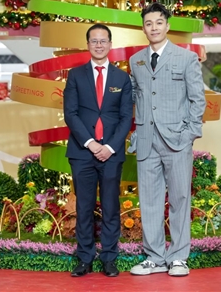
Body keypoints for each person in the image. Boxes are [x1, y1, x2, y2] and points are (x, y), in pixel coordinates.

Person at [128, 3, 206, 277]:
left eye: (159, 22)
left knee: (180, 198)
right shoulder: (135, 60)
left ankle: (179, 257)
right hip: (146, 140)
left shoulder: (186, 58)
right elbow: (135, 96)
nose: (154, 28)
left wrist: (190, 133)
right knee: (149, 200)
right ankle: (155, 257)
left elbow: (198, 100)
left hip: (177, 140)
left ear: (167, 25)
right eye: (149, 23)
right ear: (143, 28)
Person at [63, 24, 133, 278]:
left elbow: (126, 117)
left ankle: (109, 258)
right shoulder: (75, 75)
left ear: (110, 44)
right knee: (84, 207)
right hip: (82, 152)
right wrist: (91, 143)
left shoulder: (122, 78)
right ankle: (84, 258)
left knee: (111, 207)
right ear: (88, 44)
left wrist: (110, 147)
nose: (99, 45)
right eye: (94, 41)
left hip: (111, 153)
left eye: (103, 41)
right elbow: (70, 114)